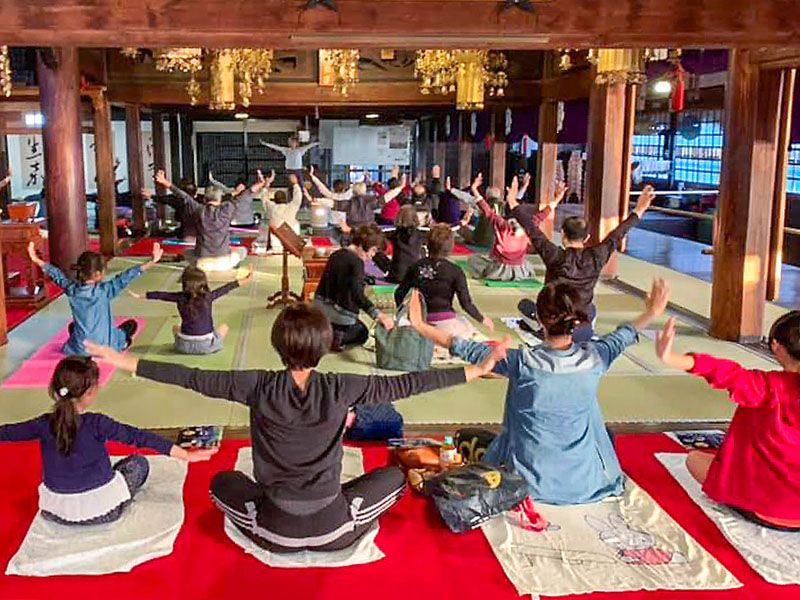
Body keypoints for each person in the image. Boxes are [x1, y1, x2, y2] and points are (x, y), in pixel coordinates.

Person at [85, 303, 502, 552]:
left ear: (279, 346)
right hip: (333, 525)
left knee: (219, 481)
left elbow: (189, 376)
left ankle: (258, 518)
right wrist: (475, 369)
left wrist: (121, 360)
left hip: (272, 527)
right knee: (393, 477)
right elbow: (410, 383)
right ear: (323, 348)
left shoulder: (255, 385)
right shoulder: (342, 387)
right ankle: (348, 518)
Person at [407, 278, 670, 505]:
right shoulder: (596, 357)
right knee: (602, 431)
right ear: (577, 321)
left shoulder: (522, 362)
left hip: (526, 483)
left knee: (469, 437)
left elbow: (466, 348)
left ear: (540, 320)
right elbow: (624, 334)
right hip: (586, 483)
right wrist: (653, 312)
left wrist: (421, 325)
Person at [0, 356, 215, 526]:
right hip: (105, 513)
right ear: (91, 392)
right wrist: (185, 454)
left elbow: (6, 433)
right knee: (138, 463)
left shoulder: (42, 424)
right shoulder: (97, 423)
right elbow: (138, 436)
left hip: (55, 512)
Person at [655, 312, 800, 531]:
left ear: (776, 346)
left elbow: (727, 373)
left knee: (694, 459)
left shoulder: (768, 386)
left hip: (767, 509)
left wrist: (672, 358)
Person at [514, 183, 656, 343]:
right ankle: (582, 331)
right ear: (587, 238)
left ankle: (542, 330)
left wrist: (513, 201)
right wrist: (639, 210)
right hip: (581, 319)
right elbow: (618, 234)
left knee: (524, 305)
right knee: (591, 308)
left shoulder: (554, 255)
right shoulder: (597, 256)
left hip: (554, 321)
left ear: (562, 234)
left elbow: (532, 229)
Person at [28, 241, 163, 357]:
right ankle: (124, 343)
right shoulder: (105, 291)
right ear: (98, 274)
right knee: (131, 325)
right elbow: (126, 277)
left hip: (80, 349)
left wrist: (37, 260)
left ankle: (83, 344)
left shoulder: (72, 290)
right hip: (106, 348)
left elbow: (58, 276)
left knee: (73, 327)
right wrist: (151, 262)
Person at [154, 169, 266, 272]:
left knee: (187, 252)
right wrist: (260, 184)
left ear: (204, 199)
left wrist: (165, 182)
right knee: (243, 250)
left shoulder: (198, 209)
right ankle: (232, 265)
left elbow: (184, 196)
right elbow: (246, 193)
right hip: (224, 263)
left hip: (202, 263)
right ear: (220, 199)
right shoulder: (227, 209)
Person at [395, 224, 492, 343]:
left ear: (428, 244)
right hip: (445, 324)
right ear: (450, 247)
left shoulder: (415, 267)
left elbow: (399, 293)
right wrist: (482, 319)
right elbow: (466, 304)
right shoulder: (455, 270)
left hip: (419, 322)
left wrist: (408, 315)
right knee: (466, 327)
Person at [133, 265, 253, 355]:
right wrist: (246, 279)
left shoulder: (179, 297)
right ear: (203, 283)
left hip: (183, 346)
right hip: (207, 347)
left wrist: (141, 295)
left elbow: (160, 295)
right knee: (224, 327)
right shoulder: (208, 297)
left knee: (175, 327)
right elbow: (227, 287)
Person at [313, 223, 395, 350]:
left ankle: (326, 332)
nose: (372, 255)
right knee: (363, 332)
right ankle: (336, 338)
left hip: (320, 311)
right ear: (362, 246)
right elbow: (357, 294)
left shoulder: (337, 254)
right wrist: (379, 315)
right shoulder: (356, 263)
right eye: (373, 250)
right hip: (339, 314)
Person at [465, 175, 544, 281]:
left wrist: (474, 188)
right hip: (520, 271)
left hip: (499, 271)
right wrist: (557, 199)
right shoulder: (528, 226)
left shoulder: (502, 225)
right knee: (527, 263)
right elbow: (542, 214)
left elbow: (486, 209)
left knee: (473, 259)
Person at [383, 204, 425, 283]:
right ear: (415, 218)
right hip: (414, 277)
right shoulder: (421, 235)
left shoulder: (394, 234)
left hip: (397, 275)